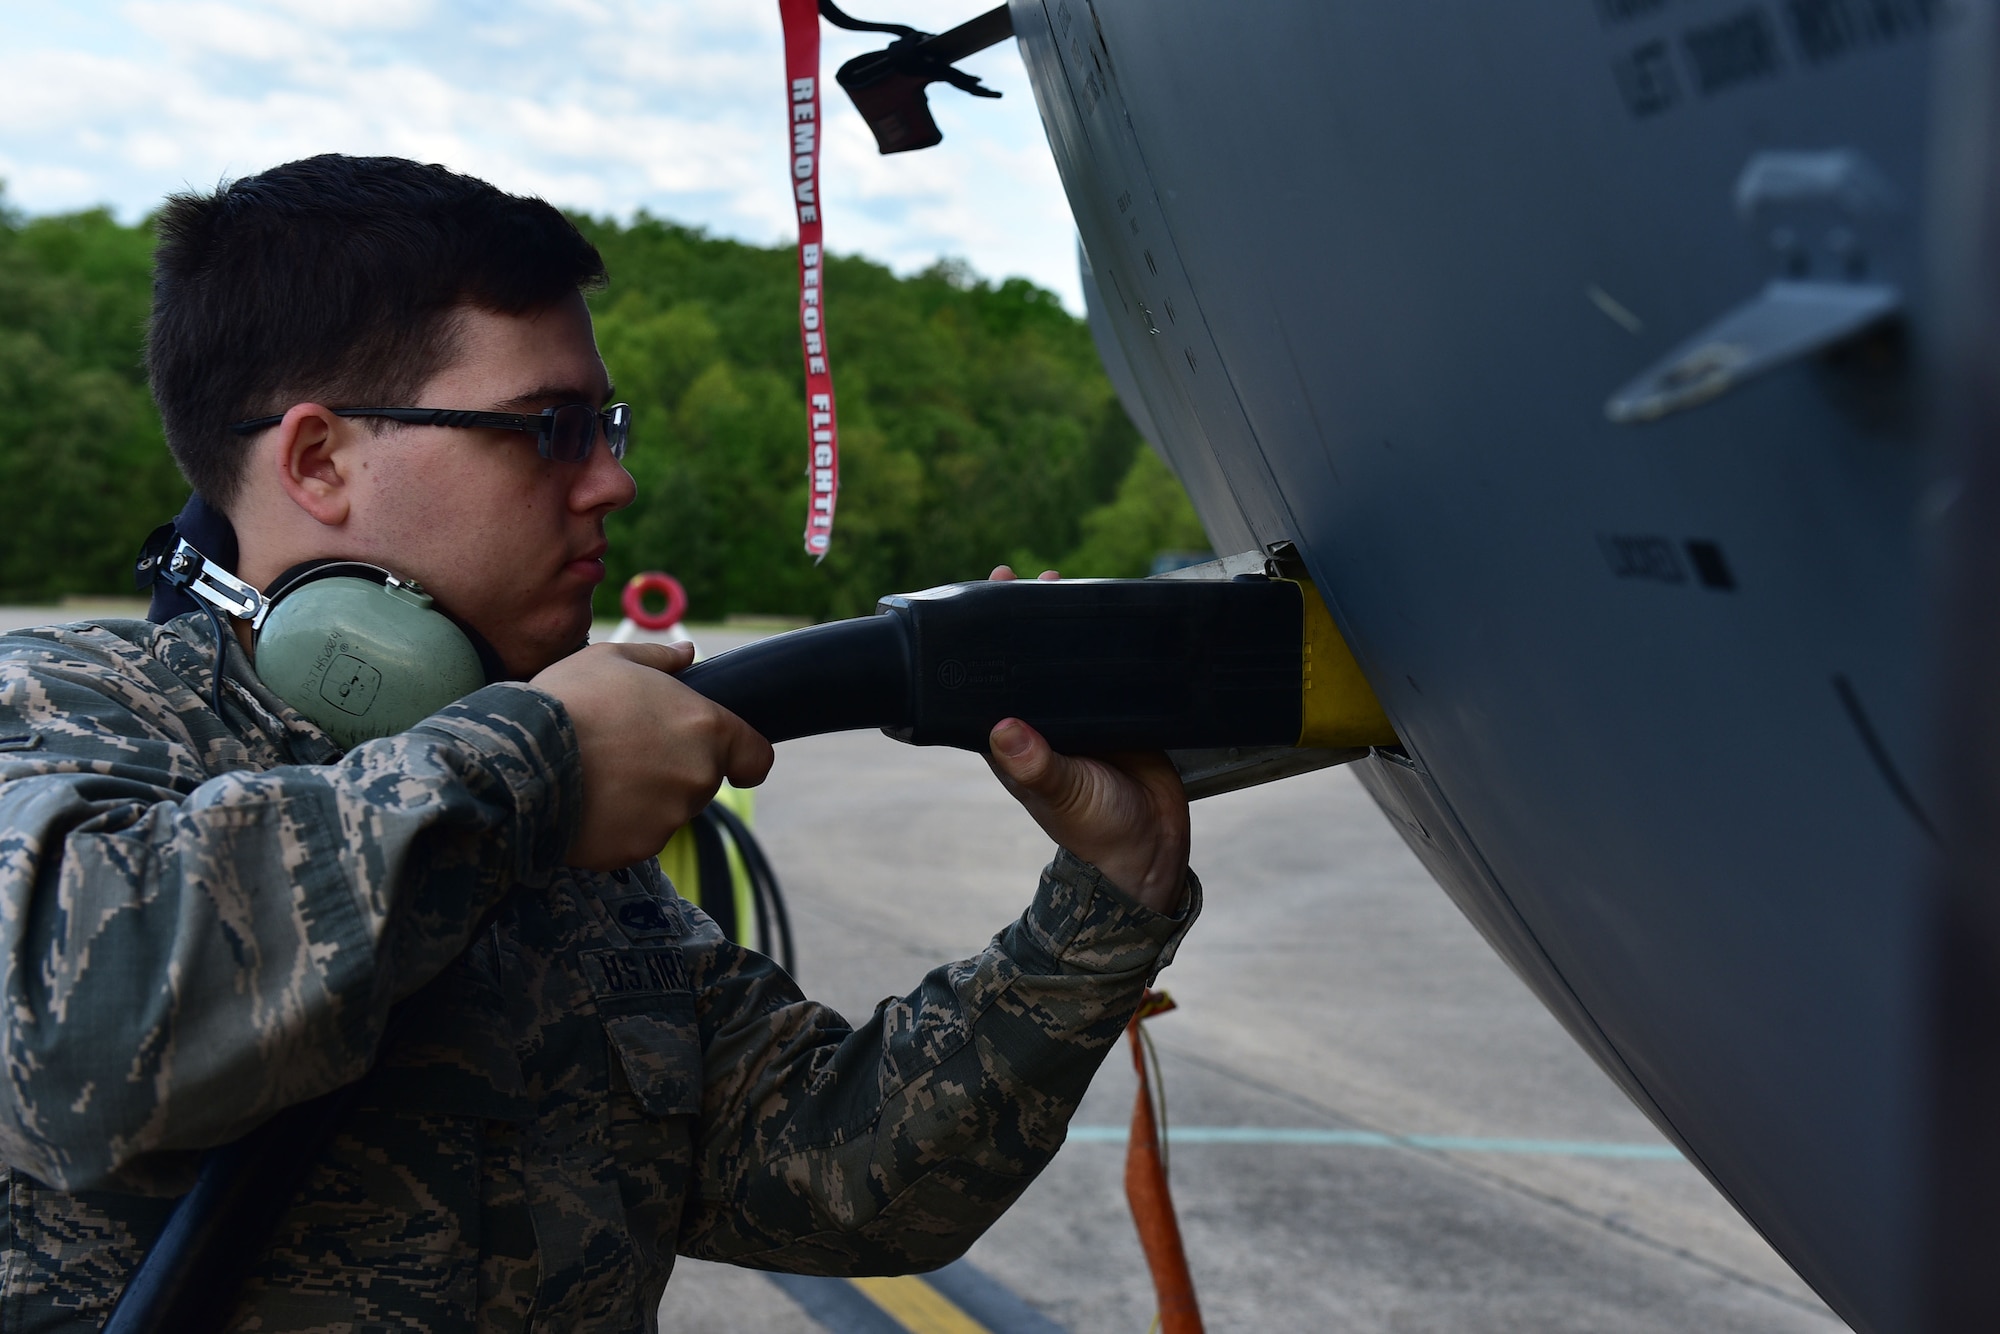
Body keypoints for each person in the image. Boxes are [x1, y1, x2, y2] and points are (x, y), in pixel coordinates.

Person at [0, 154, 1197, 1332]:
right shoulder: (69, 713)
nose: (612, 481)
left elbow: (832, 1180)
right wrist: (537, 760)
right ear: (320, 459)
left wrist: (1099, 901)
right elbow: (77, 1027)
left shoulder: (542, 809)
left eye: (604, 425)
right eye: (553, 428)